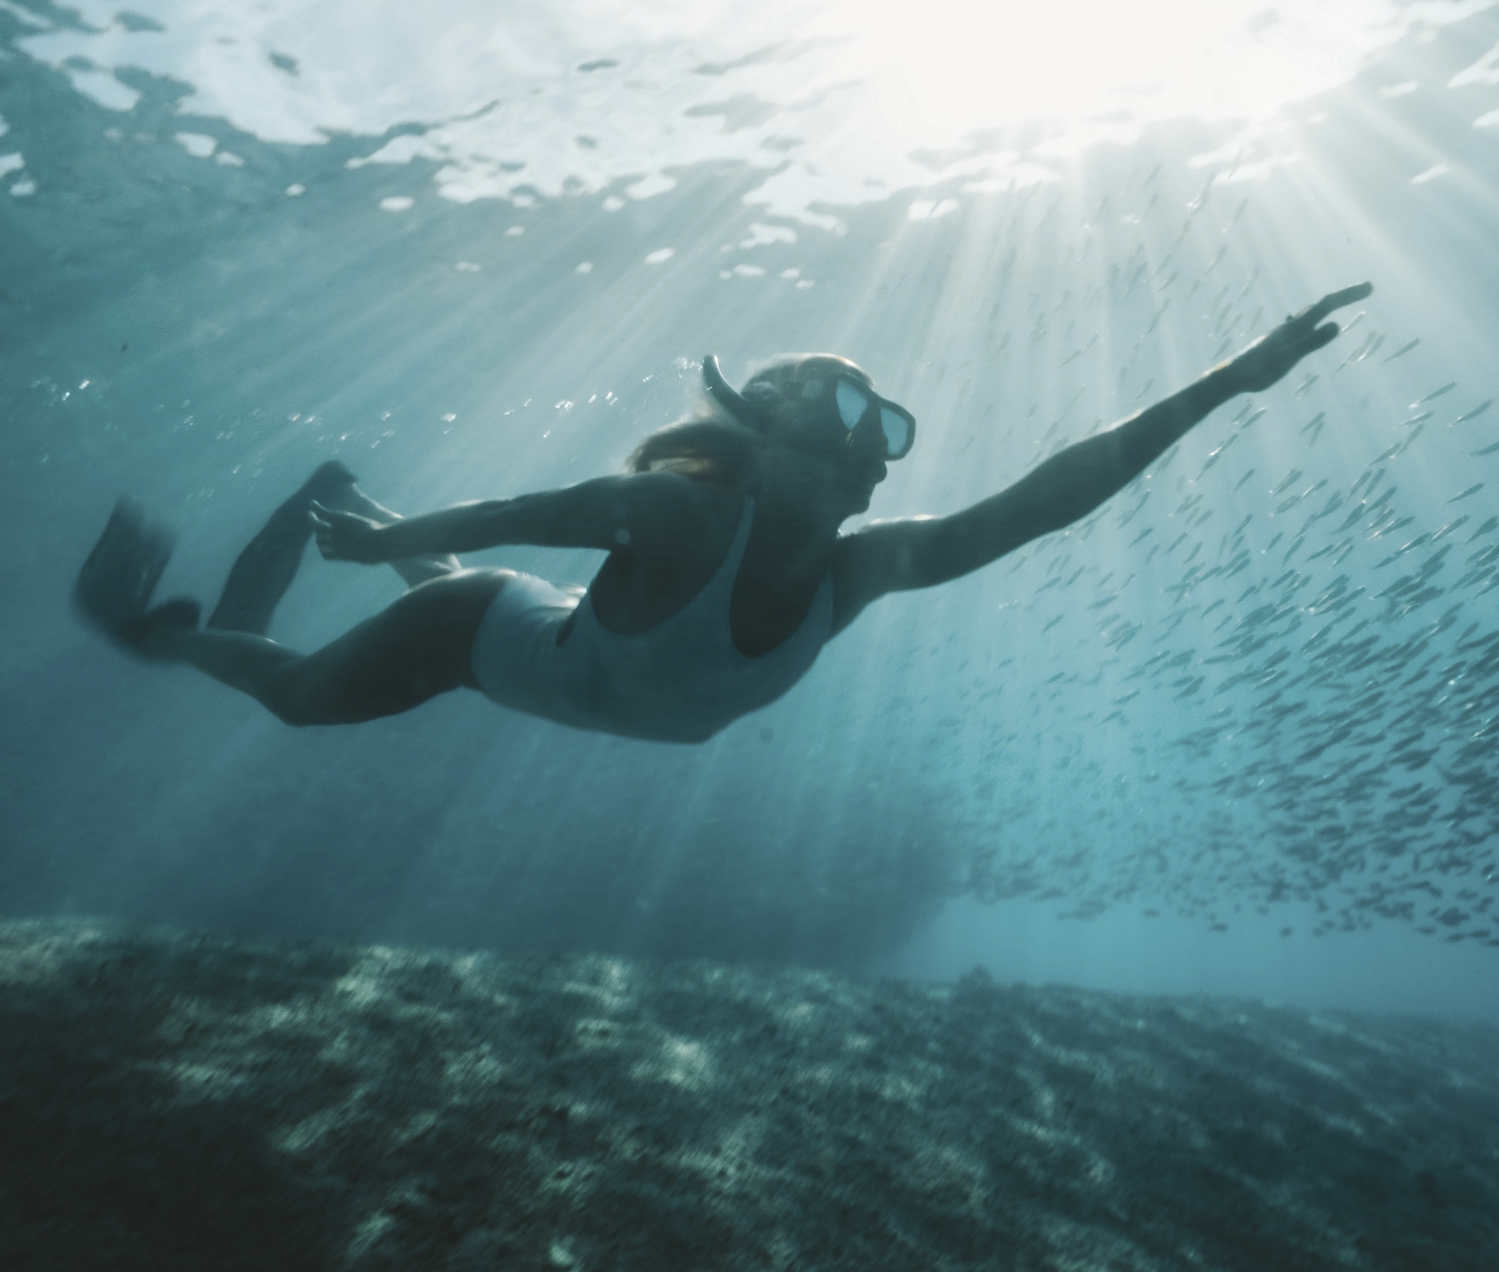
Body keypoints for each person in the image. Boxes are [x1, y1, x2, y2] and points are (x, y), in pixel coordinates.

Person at [74, 284, 1372, 742]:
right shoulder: (681, 514)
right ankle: (157, 632)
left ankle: (344, 501)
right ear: (764, 444)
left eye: (890, 434)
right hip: (507, 630)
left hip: (553, 642)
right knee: (303, 696)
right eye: (854, 429)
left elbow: (1048, 499)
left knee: (490, 601)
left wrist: (1232, 378)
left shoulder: (856, 573)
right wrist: (384, 549)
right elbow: (542, 505)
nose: (877, 461)